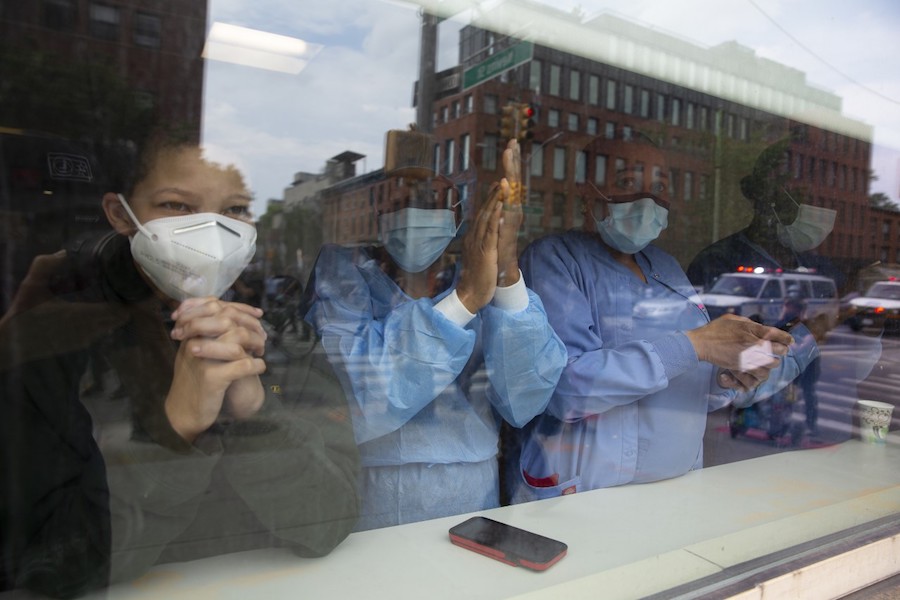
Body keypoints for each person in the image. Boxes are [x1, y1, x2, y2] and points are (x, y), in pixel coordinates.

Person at [1, 139, 359, 598]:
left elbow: (329, 522)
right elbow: (42, 563)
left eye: (235, 209)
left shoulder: (284, 337)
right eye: (175, 204)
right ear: (120, 213)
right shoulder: (53, 343)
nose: (210, 229)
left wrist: (257, 411)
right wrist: (174, 431)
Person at [508, 129, 818, 502]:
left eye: (659, 185)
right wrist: (696, 345)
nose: (647, 198)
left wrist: (730, 375)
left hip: (677, 485)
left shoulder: (666, 266)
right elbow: (566, 389)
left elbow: (694, 375)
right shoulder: (555, 259)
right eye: (627, 182)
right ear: (585, 192)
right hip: (586, 490)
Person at [303, 139, 566, 530]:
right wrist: (462, 302)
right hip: (371, 487)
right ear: (379, 215)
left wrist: (506, 270)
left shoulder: (474, 275)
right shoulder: (346, 271)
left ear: (458, 216)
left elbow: (525, 398)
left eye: (430, 201)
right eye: (400, 202)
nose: (414, 212)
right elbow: (364, 389)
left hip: (473, 490)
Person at [687, 138, 837, 441]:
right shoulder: (718, 264)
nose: (814, 204)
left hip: (806, 422)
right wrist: (810, 335)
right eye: (799, 193)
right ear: (767, 198)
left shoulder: (814, 266)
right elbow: (727, 370)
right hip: (745, 438)